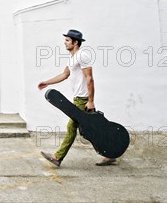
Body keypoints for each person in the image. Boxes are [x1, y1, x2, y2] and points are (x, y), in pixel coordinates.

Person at [38, 29, 116, 167]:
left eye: (67, 40)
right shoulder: (73, 57)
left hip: (83, 99)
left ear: (75, 42)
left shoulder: (82, 56)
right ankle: (110, 154)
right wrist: (47, 82)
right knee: (92, 129)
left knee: (72, 127)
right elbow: (64, 75)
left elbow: (90, 78)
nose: (64, 42)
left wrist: (91, 101)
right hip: (78, 99)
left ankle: (57, 157)